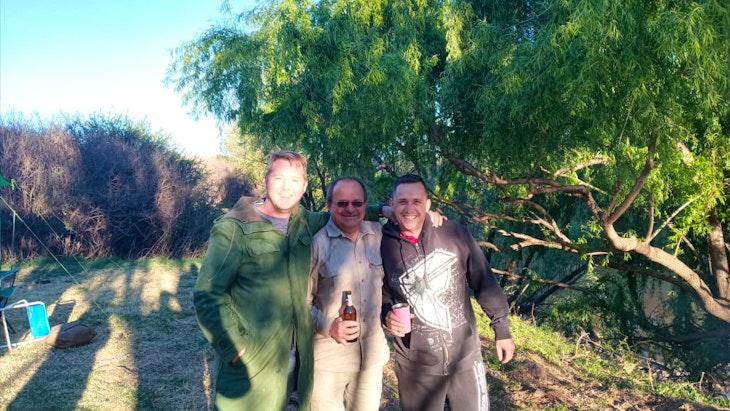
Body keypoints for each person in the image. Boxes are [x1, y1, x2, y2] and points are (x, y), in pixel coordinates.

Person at [194, 151, 385, 411]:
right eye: (279, 178)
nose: (287, 187)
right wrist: (235, 348)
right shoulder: (235, 228)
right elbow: (207, 294)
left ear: (304, 185)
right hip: (251, 358)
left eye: (295, 180)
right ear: (266, 180)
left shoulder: (302, 221)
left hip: (292, 354)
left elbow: (346, 213)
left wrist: (388, 210)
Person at [381, 174, 516, 411]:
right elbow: (379, 295)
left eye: (416, 201)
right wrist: (386, 316)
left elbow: (484, 281)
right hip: (415, 366)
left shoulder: (453, 233)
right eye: (402, 201)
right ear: (391, 205)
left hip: (465, 358)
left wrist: (502, 329)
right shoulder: (381, 244)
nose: (409, 208)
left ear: (428, 204)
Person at [307, 176, 390, 411]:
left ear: (365, 204)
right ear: (329, 205)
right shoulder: (317, 244)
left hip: (370, 359)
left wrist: (431, 217)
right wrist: (328, 326)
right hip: (328, 362)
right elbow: (300, 302)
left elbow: (412, 226)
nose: (350, 209)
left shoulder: (380, 235)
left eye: (357, 203)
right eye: (342, 203)